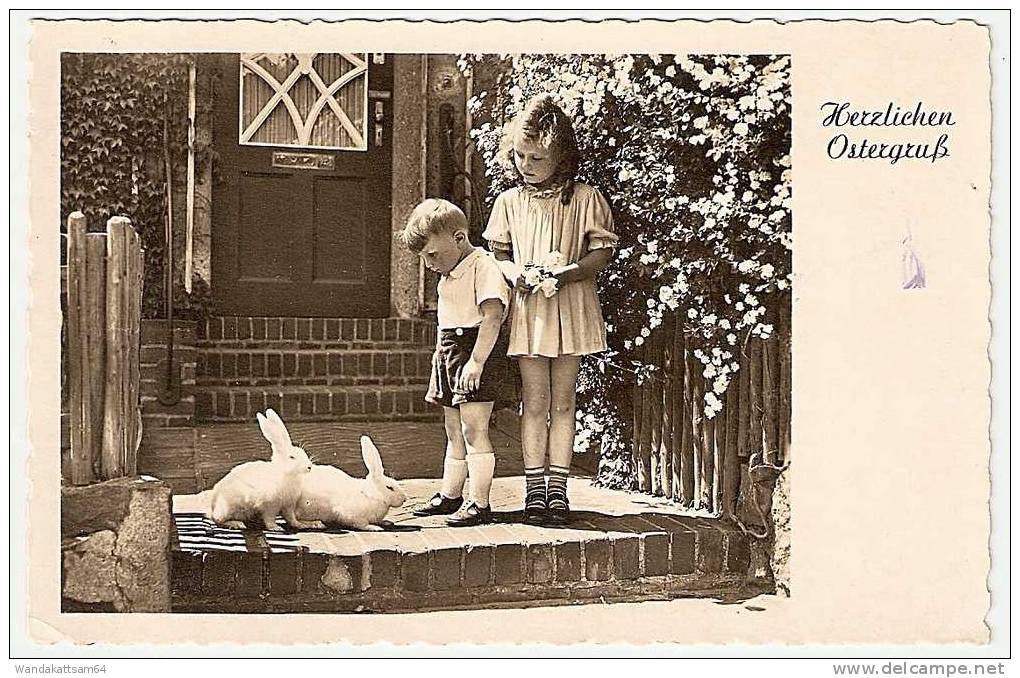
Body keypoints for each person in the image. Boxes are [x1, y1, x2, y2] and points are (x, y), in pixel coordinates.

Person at [483, 93, 618, 526]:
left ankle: (558, 490)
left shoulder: (584, 197)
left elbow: (601, 254)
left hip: (571, 304)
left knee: (564, 402)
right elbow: (498, 255)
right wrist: (514, 273)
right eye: (520, 156)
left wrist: (566, 274)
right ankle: (534, 489)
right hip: (530, 312)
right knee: (534, 403)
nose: (526, 165)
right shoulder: (509, 202)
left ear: (560, 156)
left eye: (537, 158)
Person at [398, 199, 510, 527]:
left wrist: (476, 362)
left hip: (474, 351)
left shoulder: (483, 266)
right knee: (452, 428)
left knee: (473, 428)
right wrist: (441, 357)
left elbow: (493, 317)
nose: (428, 263)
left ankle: (480, 502)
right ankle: (451, 493)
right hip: (448, 351)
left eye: (432, 254)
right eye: (423, 258)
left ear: (459, 238)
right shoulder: (447, 273)